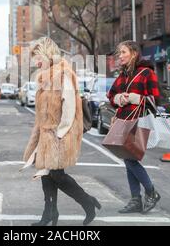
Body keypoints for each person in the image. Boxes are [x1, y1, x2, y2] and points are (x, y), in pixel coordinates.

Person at [22, 37, 101, 226]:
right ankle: (50, 213)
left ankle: (87, 202)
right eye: (33, 58)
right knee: (46, 173)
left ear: (48, 53)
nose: (36, 61)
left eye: (37, 56)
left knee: (57, 175)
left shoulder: (63, 74)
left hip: (58, 134)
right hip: (46, 133)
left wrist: (60, 134)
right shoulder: (45, 77)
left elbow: (70, 106)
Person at [107, 41, 161, 214]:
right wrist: (119, 99)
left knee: (130, 159)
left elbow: (155, 101)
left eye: (123, 52)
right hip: (123, 121)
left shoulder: (147, 73)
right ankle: (136, 200)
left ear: (134, 53)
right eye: (119, 53)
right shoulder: (123, 75)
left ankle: (150, 192)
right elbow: (111, 95)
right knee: (128, 159)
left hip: (138, 121)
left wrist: (133, 98)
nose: (120, 56)